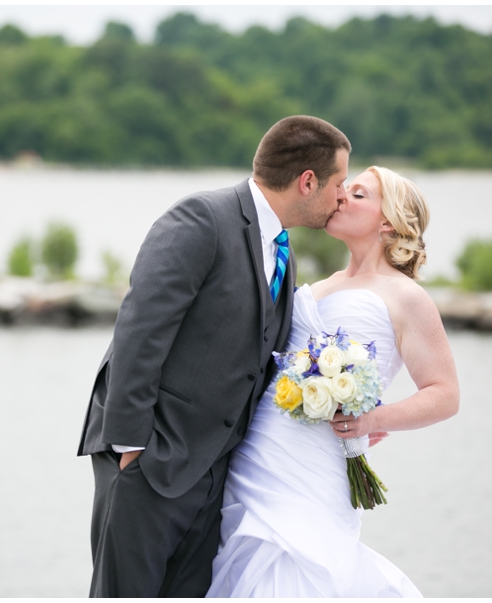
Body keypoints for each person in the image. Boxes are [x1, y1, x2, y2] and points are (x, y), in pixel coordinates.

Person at [77, 116, 352, 597]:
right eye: (339, 183)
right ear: (308, 182)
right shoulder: (203, 217)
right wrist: (130, 447)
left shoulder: (281, 252)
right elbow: (141, 328)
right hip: (149, 461)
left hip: (213, 477)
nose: (342, 197)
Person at [206, 166, 460, 597]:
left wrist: (373, 418)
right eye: (345, 188)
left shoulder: (406, 296)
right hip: (260, 450)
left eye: (359, 194)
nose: (341, 196)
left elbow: (445, 394)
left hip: (318, 459)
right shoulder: (317, 286)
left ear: (388, 221)